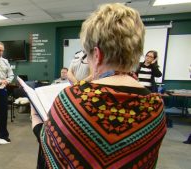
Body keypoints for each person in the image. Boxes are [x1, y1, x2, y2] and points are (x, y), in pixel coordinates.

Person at [31, 3, 166, 168]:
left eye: (87, 55)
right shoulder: (156, 106)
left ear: (97, 54)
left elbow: (49, 145)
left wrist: (36, 118)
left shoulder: (71, 98)